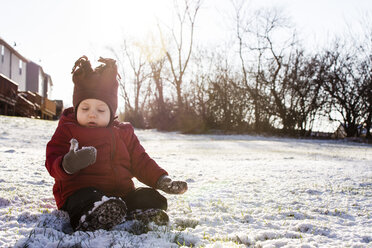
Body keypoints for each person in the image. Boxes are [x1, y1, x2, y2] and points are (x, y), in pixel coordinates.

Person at [45, 56, 187, 232]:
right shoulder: (68, 130)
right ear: (76, 109)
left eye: (100, 110)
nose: (92, 114)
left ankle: (141, 213)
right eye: (85, 108)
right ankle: (93, 215)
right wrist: (67, 164)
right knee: (86, 198)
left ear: (111, 113)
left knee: (151, 197)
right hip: (80, 192)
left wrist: (161, 179)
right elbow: (52, 158)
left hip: (121, 195)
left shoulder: (124, 133)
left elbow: (141, 161)